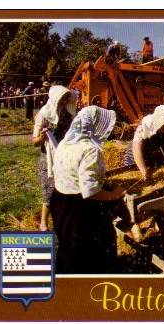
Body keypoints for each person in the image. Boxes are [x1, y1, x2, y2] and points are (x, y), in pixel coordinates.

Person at [51, 106, 125, 273]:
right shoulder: (90, 149)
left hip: (60, 201)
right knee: (93, 248)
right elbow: (91, 191)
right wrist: (114, 194)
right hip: (80, 209)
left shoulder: (66, 142)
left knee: (68, 246)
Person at [32, 85, 77, 231]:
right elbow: (34, 142)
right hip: (49, 158)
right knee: (50, 191)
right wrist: (43, 136)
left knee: (68, 188)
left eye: (66, 97)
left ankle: (65, 218)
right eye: (62, 98)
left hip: (66, 156)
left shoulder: (68, 112)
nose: (65, 101)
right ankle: (44, 223)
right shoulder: (44, 114)